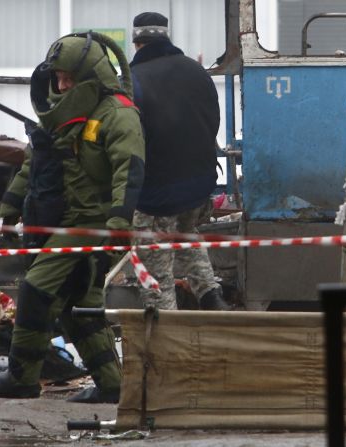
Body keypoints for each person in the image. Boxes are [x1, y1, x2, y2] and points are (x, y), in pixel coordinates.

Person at [0, 32, 145, 403]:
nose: (62, 85)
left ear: (91, 76)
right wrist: (9, 208)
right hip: (63, 222)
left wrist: (118, 223)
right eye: (58, 78)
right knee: (76, 307)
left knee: (36, 288)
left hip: (92, 224)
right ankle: (113, 385)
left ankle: (21, 378)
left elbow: (128, 172)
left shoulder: (118, 114)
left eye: (69, 78)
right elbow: (35, 164)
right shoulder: (61, 116)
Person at [129, 12, 231, 311]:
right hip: (199, 184)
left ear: (137, 42)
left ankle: (165, 328)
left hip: (158, 190)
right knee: (187, 235)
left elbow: (134, 138)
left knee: (153, 259)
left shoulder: (135, 79)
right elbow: (213, 121)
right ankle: (210, 296)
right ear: (165, 37)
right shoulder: (196, 71)